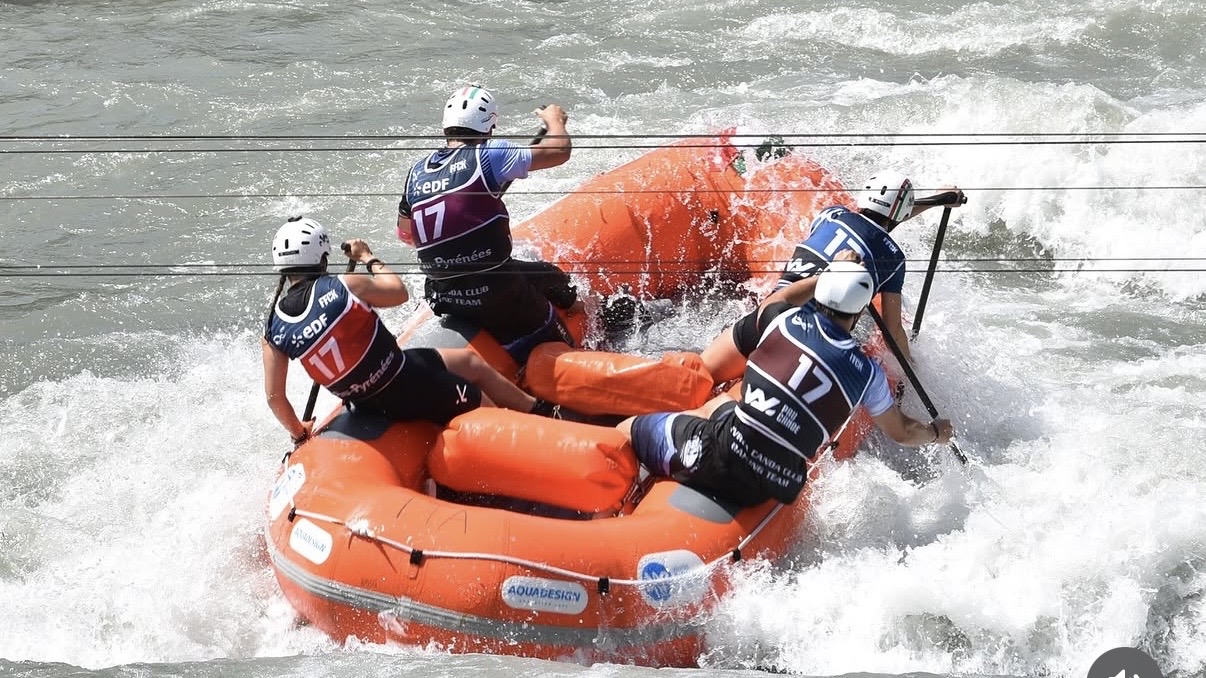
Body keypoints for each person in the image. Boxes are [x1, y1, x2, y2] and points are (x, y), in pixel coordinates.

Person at [617, 254, 954, 507]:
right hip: (777, 485)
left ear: (821, 290)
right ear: (861, 310)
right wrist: (937, 433)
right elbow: (902, 432)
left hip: (717, 455)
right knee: (723, 407)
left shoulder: (784, 320)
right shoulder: (868, 375)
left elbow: (779, 300)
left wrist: (827, 273)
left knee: (627, 430)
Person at [261, 217, 568, 447]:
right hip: (403, 384)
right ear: (322, 257)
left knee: (470, 364)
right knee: (481, 402)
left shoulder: (273, 328)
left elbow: (275, 397)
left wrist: (299, 432)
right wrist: (368, 257)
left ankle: (538, 410)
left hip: (367, 400)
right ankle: (536, 443)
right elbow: (397, 293)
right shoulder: (345, 285)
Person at [395, 85, 577, 365]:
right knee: (557, 303)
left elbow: (406, 234)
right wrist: (554, 120)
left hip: (443, 295)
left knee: (536, 273)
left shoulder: (416, 172)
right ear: (489, 127)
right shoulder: (490, 154)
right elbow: (559, 151)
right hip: (497, 293)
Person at [775, 171, 965, 366]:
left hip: (773, 309)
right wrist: (912, 366)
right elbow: (892, 332)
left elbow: (873, 223)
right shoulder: (893, 259)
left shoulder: (832, 214)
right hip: (812, 338)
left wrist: (936, 200)